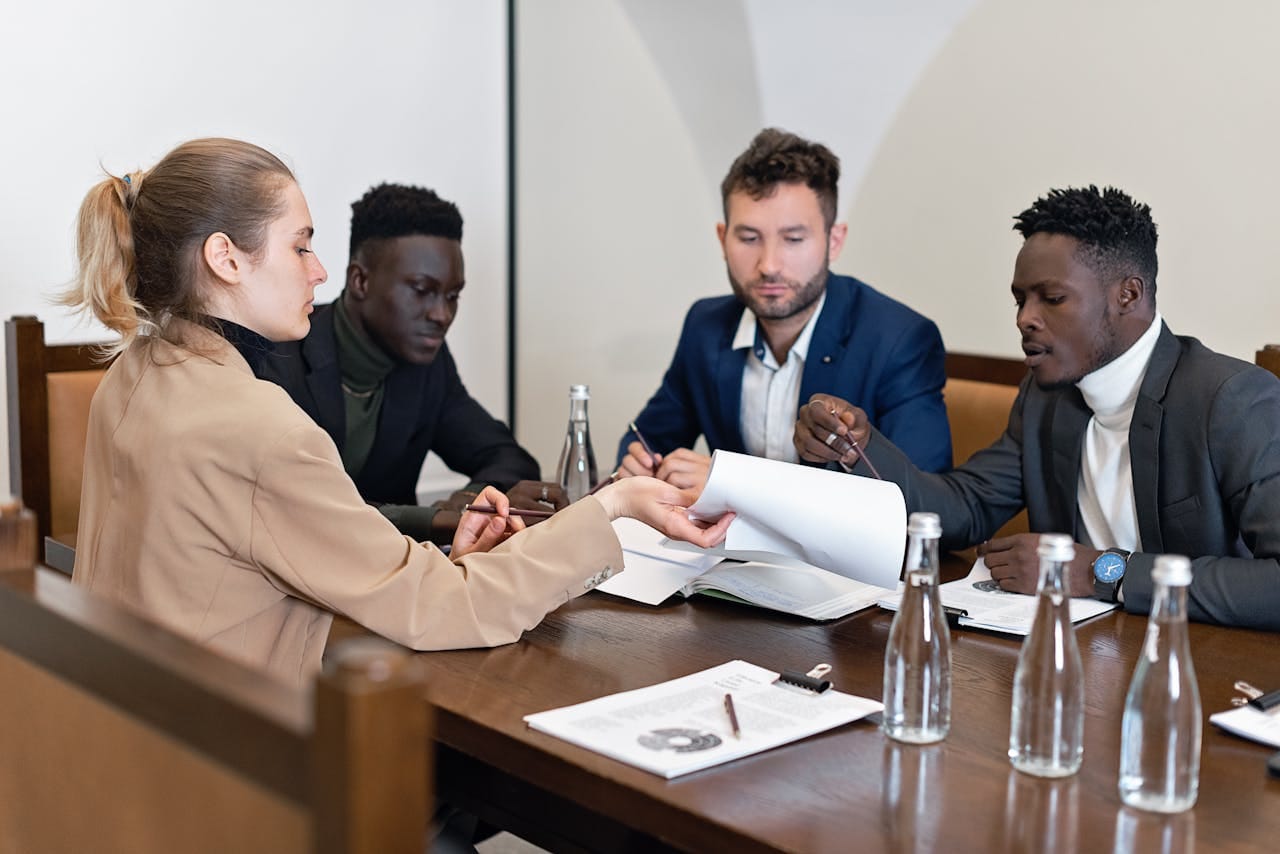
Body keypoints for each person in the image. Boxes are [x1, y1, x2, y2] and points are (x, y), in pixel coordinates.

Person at [65, 138, 732, 687]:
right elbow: (453, 609)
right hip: (238, 782)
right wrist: (611, 507)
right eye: (300, 245)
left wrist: (424, 559)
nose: (318, 270)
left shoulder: (134, 375)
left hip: (128, 753)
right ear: (225, 258)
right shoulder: (261, 429)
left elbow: (236, 567)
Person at [796, 185, 1280, 631]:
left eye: (1051, 298)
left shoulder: (1231, 400)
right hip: (1079, 661)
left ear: (1127, 296)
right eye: (1020, 300)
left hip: (1204, 674)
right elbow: (964, 508)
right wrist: (857, 446)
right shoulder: (1045, 396)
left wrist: (1099, 572)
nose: (1025, 319)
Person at [615, 127, 952, 490]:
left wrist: (735, 481)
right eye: (748, 238)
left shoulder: (898, 338)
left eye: (793, 239)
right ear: (722, 239)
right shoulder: (706, 325)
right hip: (723, 546)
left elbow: (920, 497)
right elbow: (646, 442)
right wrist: (641, 464)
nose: (769, 264)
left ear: (833, 241)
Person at [260, 183, 557, 545]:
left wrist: (471, 502)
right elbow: (304, 509)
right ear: (360, 281)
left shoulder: (427, 364)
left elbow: (508, 458)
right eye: (421, 289)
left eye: (452, 296)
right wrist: (438, 519)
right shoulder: (275, 356)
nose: (441, 314)